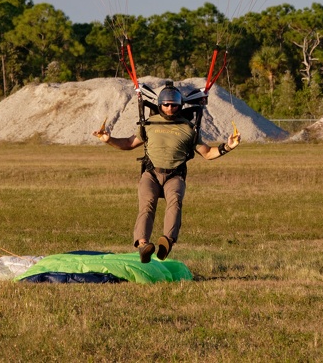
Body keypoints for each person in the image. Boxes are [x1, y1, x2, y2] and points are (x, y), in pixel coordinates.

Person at [93, 82, 241, 263]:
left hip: (175, 175)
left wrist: (228, 147)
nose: (170, 108)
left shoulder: (188, 128)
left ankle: (167, 241)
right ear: (160, 105)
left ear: (180, 105)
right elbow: (128, 144)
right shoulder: (148, 125)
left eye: (174, 105)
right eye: (166, 104)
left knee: (175, 202)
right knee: (147, 205)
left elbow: (208, 153)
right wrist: (109, 140)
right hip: (151, 173)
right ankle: (143, 245)